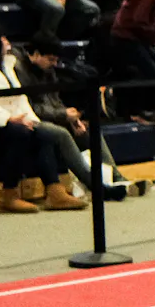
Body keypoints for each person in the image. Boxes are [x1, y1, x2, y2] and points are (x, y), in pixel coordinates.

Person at [0, 23, 86, 214]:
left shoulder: (5, 63)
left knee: (42, 132)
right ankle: (7, 196)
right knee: (20, 133)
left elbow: (19, 98)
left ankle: (55, 192)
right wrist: (7, 119)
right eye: (2, 39)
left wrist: (33, 121)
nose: (7, 43)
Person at [14, 34, 145, 202]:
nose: (54, 64)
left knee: (88, 128)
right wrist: (63, 115)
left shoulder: (47, 70)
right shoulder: (19, 70)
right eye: (51, 60)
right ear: (37, 54)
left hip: (52, 116)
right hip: (30, 119)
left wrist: (72, 118)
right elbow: (30, 107)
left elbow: (55, 100)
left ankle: (118, 179)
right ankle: (97, 185)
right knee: (62, 133)